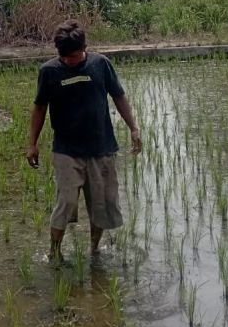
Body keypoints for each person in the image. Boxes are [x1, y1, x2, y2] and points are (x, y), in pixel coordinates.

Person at [26, 20, 142, 263]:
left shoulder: (100, 64)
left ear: (85, 48)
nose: (70, 61)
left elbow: (119, 96)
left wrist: (133, 128)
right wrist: (32, 143)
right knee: (66, 202)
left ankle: (94, 250)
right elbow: (40, 108)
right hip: (67, 149)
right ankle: (54, 252)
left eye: (75, 56)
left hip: (101, 147)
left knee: (100, 204)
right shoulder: (49, 71)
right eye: (65, 57)